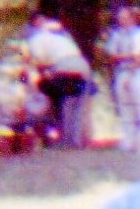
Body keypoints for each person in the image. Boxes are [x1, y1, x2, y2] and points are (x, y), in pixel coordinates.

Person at [24, 13, 94, 148]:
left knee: (65, 104)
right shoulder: (61, 37)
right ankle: (78, 140)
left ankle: (67, 140)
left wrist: (42, 75)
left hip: (65, 67)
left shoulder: (36, 38)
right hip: (82, 65)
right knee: (79, 105)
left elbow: (41, 62)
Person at [103, 6, 140, 152]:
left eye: (125, 18)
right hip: (122, 73)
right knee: (125, 108)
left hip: (139, 73)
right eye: (120, 18)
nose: (121, 20)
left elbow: (139, 57)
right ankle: (129, 142)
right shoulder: (117, 35)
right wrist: (128, 56)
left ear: (133, 18)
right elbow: (112, 56)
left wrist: (128, 61)